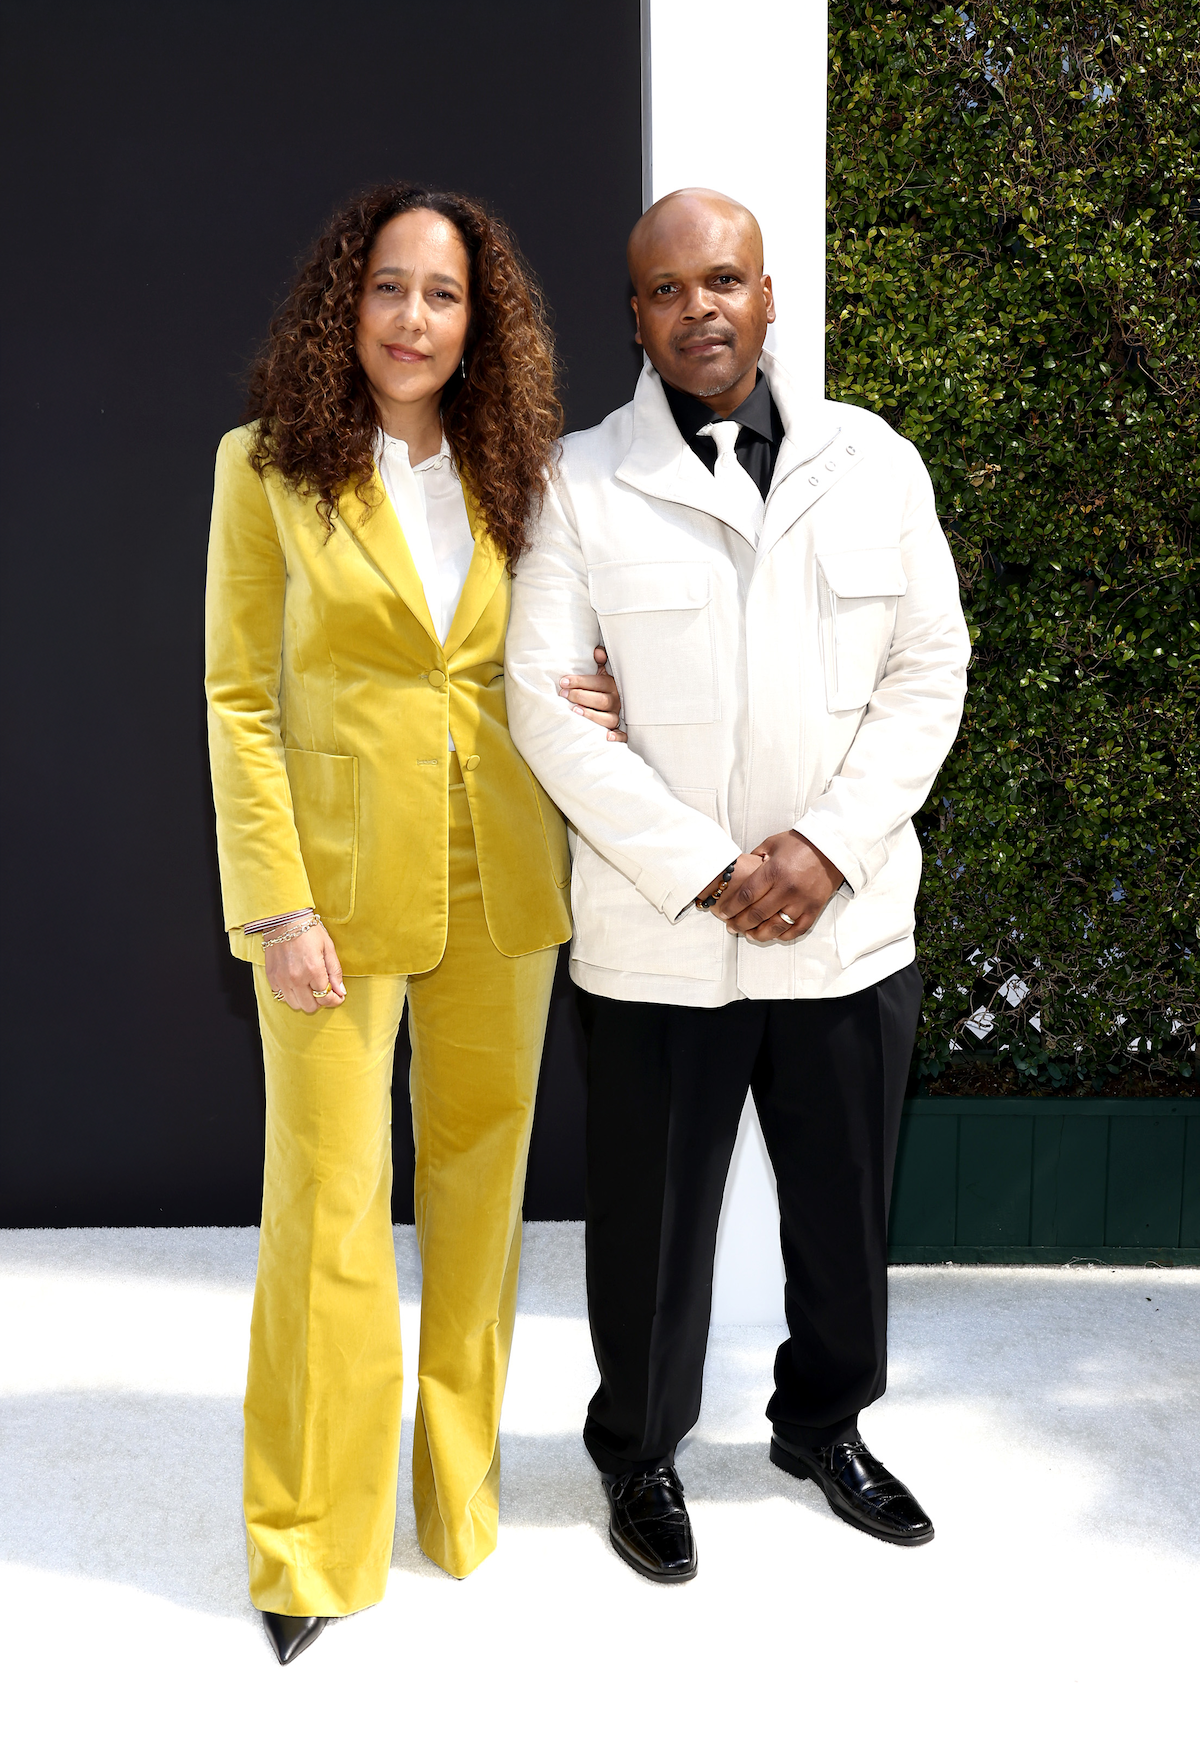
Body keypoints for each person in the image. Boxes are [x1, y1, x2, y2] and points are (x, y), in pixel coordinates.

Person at [505, 188, 971, 1582]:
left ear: (770, 297)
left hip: (847, 926)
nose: (698, 307)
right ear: (634, 315)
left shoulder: (875, 464)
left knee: (845, 1206)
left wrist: (824, 847)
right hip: (662, 939)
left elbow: (927, 672)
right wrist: (714, 870)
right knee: (651, 1224)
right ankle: (638, 1447)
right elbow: (544, 704)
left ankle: (822, 1423)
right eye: (665, 288)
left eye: (724, 280)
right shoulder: (575, 483)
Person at [205, 182, 624, 1662]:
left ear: (478, 320)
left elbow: (546, 651)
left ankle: (459, 1491)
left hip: (502, 880)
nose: (414, 318)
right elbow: (239, 699)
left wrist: (605, 690)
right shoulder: (264, 468)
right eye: (390, 287)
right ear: (348, 300)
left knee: (477, 1201)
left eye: (444, 295)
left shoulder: (526, 471)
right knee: (325, 1206)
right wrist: (274, 905)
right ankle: (309, 1541)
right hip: (330, 890)